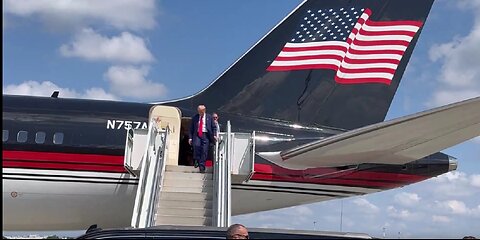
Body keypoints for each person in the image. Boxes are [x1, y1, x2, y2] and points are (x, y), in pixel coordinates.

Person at [189, 104, 217, 173]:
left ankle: (202, 167)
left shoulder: (209, 117)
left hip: (206, 135)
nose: (199, 112)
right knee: (196, 146)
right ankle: (197, 159)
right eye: (198, 111)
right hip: (197, 134)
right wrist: (190, 138)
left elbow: (214, 127)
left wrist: (214, 135)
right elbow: (191, 129)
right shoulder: (195, 118)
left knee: (204, 150)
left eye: (200, 111)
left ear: (204, 111)